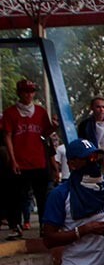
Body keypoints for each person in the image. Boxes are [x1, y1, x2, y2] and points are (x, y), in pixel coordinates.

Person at [2, 78, 56, 239]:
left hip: (38, 160)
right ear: (19, 93)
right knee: (16, 196)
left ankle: (44, 226)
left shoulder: (40, 112)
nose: (29, 95)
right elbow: (7, 136)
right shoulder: (10, 113)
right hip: (20, 161)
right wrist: (13, 160)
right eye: (26, 91)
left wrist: (54, 126)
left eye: (32, 91)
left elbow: (45, 133)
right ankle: (15, 226)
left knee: (43, 198)